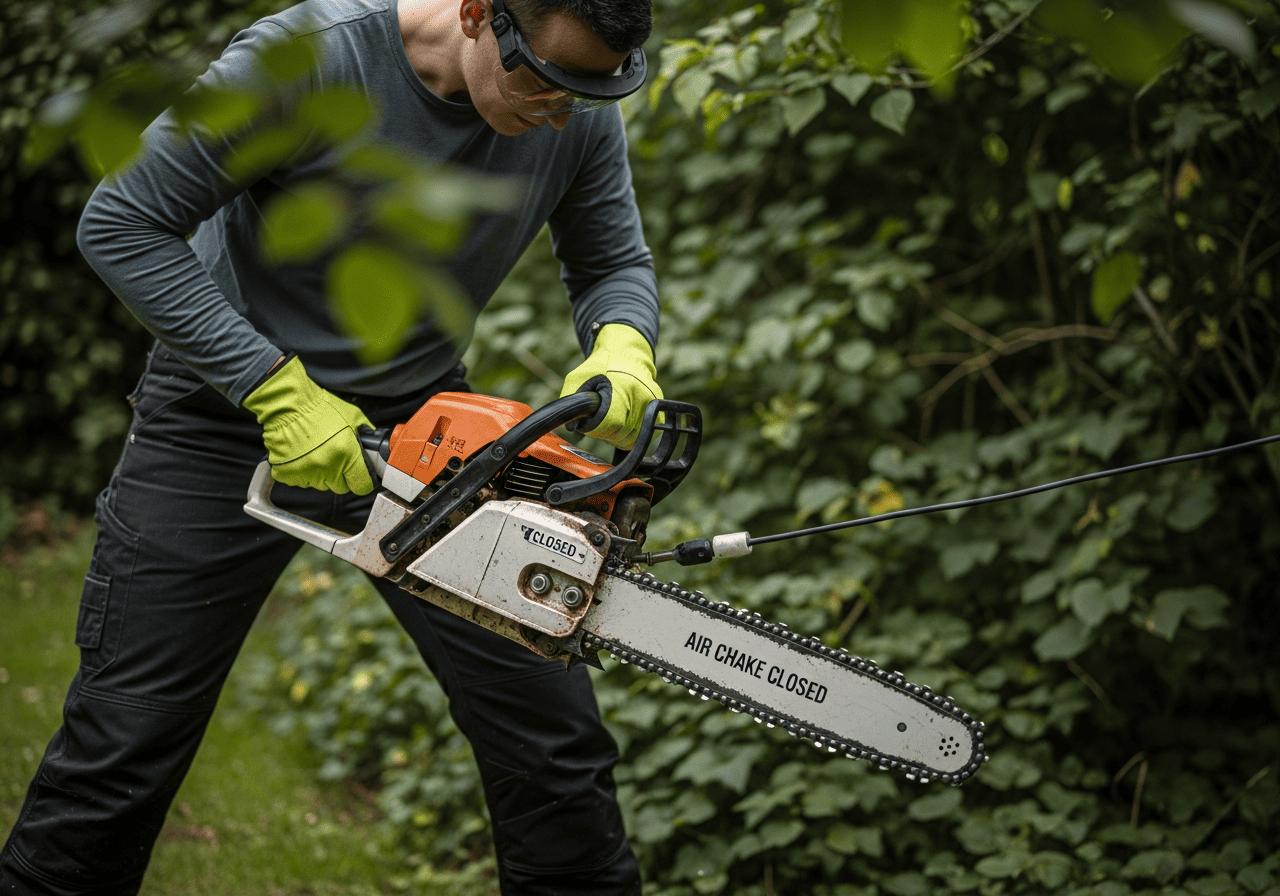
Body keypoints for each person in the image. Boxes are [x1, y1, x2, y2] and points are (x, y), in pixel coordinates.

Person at [0, 0, 662, 893]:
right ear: (478, 13)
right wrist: (274, 388)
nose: (563, 108)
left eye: (591, 89)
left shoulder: (574, 104)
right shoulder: (304, 61)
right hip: (217, 421)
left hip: (425, 429)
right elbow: (121, 221)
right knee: (125, 741)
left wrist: (624, 339)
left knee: (553, 746)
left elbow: (611, 261)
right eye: (545, 79)